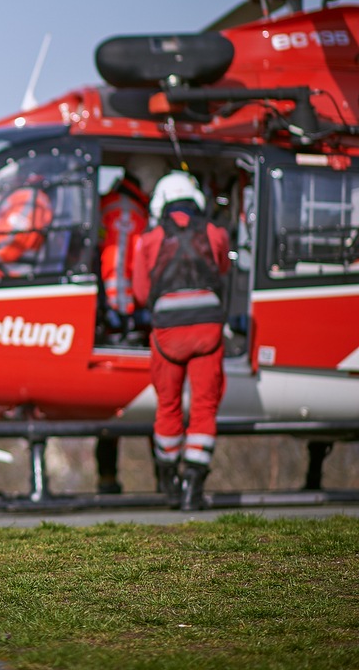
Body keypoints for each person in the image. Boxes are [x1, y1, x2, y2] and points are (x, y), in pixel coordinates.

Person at [132, 170, 231, 510]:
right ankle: (193, 487)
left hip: (167, 334)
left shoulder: (147, 239)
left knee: (169, 406)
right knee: (204, 406)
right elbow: (223, 271)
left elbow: (142, 293)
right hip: (208, 330)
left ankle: (169, 479)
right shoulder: (215, 232)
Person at [93, 154, 166, 494]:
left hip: (112, 314)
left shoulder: (112, 202)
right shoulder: (125, 211)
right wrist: (125, 315)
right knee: (137, 397)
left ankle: (108, 478)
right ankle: (160, 479)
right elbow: (117, 262)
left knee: (112, 408)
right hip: (123, 319)